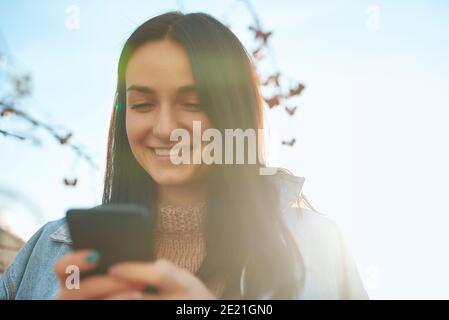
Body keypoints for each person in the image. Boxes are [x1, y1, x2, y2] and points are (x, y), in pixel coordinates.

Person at [0, 11, 368, 300]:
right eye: (142, 104)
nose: (164, 128)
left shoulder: (320, 247)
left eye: (193, 103)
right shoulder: (45, 252)